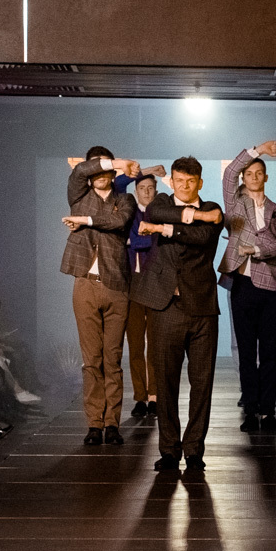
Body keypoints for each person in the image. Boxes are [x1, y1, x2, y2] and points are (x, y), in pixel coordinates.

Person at [133, 156, 224, 476]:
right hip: (165, 305)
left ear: (200, 183)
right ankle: (169, 450)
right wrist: (192, 217)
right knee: (166, 383)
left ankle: (194, 450)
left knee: (202, 383)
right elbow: (156, 212)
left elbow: (202, 238)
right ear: (171, 181)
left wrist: (164, 229)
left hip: (202, 307)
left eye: (191, 181)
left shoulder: (214, 208)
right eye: (179, 181)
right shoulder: (161, 202)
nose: (185, 186)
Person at [62, 148, 140, 446]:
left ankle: (112, 423)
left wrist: (84, 221)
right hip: (85, 284)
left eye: (105, 170)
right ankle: (94, 423)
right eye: (95, 169)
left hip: (116, 286)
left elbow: (118, 223)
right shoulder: (78, 195)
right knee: (91, 360)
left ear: (113, 174)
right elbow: (79, 172)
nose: (99, 175)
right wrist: (115, 162)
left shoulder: (125, 200)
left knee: (113, 359)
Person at [219, 141, 276, 432]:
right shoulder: (235, 205)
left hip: (272, 287)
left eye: (258, 173)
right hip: (243, 283)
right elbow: (229, 173)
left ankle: (269, 412)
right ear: (244, 177)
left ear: (266, 177)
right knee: (247, 351)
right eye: (248, 173)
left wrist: (257, 249)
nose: (253, 177)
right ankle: (250, 410)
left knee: (269, 353)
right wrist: (259, 149)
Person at [125, 173, 162, 419]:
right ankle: (140, 396)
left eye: (150, 188)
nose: (146, 192)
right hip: (132, 285)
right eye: (142, 188)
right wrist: (141, 239)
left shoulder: (161, 214)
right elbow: (133, 241)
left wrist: (135, 240)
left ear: (156, 191)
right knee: (136, 344)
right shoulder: (128, 213)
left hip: (156, 285)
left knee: (155, 346)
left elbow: (153, 243)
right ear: (136, 191)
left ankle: (154, 396)